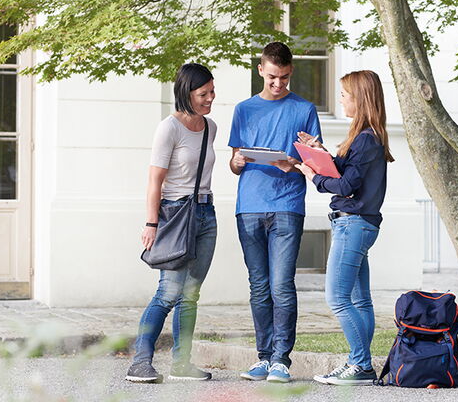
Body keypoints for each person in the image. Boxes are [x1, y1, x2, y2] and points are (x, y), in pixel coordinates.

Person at [228, 42, 322, 383]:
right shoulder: (243, 110)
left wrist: (295, 163)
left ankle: (282, 359)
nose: (278, 84)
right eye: (271, 77)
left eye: (283, 77)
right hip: (249, 207)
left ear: (291, 72)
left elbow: (316, 164)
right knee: (258, 286)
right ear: (260, 70)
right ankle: (263, 357)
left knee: (282, 284)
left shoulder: (304, 109)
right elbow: (235, 161)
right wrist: (236, 161)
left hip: (287, 207)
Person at [296, 70, 394, 386]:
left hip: (352, 224)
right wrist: (321, 152)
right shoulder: (366, 137)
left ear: (360, 99)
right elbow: (347, 173)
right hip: (358, 224)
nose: (340, 99)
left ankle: (360, 364)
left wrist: (315, 178)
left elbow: (346, 185)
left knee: (337, 298)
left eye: (344, 94)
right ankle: (359, 365)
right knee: (360, 300)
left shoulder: (365, 139)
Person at [126, 63, 218, 383]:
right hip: (176, 214)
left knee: (190, 295)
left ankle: (182, 363)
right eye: (203, 93)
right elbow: (155, 181)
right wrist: (151, 223)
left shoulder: (210, 127)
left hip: (206, 215)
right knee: (168, 292)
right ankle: (140, 362)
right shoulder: (169, 128)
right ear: (186, 93)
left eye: (212, 91)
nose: (210, 98)